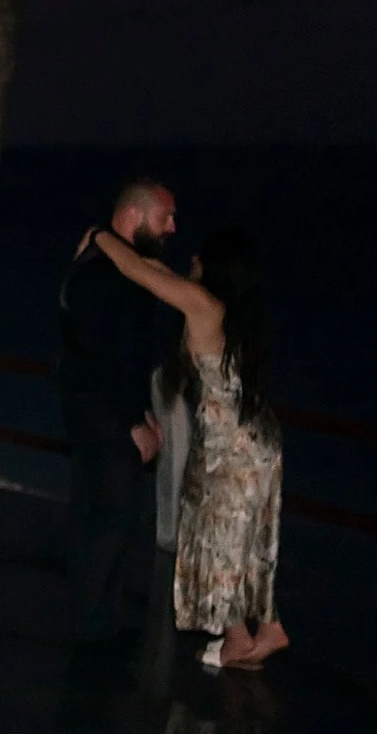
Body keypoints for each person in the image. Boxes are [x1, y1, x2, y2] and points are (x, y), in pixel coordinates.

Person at [84, 225, 286, 669]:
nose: (190, 261)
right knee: (250, 535)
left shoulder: (201, 306)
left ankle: (236, 638)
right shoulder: (233, 311)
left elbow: (138, 270)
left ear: (213, 268)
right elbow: (157, 270)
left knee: (220, 537)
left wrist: (100, 235)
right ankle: (267, 629)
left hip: (229, 444)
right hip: (258, 438)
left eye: (198, 258)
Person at [58, 179, 177, 642]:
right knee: (110, 517)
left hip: (99, 410)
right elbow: (104, 355)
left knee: (105, 515)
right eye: (164, 217)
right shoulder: (102, 276)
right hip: (102, 415)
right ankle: (92, 626)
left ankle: (100, 618)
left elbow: (124, 355)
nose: (172, 227)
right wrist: (133, 422)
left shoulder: (113, 267)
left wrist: (143, 412)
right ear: (133, 217)